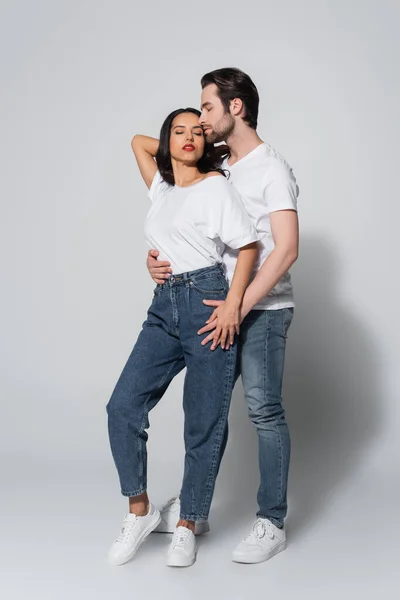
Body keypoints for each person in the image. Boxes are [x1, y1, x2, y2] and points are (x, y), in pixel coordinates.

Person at [147, 69, 299, 564]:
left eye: (207, 109)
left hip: (263, 309)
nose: (201, 120)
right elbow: (160, 157)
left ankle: (271, 521)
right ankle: (197, 508)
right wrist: (159, 256)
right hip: (218, 303)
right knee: (207, 412)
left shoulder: (271, 168)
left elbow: (286, 250)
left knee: (263, 409)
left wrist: (241, 303)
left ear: (236, 108)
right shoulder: (219, 164)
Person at [106, 107, 259, 568]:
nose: (190, 137)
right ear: (167, 139)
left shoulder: (217, 188)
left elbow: (248, 246)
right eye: (179, 131)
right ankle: (141, 510)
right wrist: (180, 148)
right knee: (123, 406)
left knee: (203, 420)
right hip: (164, 305)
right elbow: (137, 140)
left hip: (208, 300)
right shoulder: (164, 189)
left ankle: (190, 521)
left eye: (198, 130)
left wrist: (233, 303)